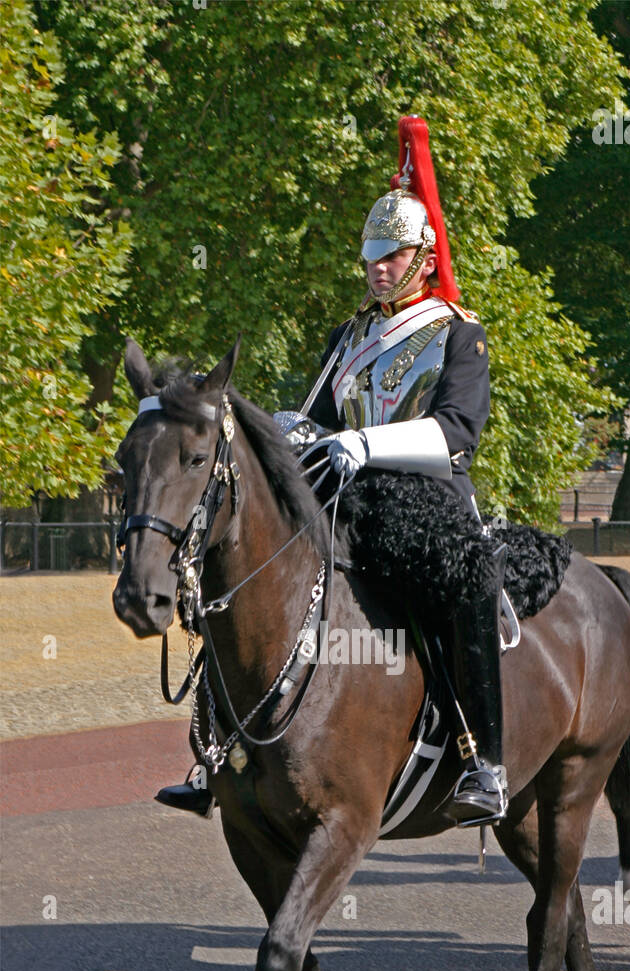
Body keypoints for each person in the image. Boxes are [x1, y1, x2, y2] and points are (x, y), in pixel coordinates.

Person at [158, 116, 507, 825]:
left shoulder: (457, 335)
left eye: (392, 255)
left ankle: (484, 761)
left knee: (464, 582)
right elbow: (318, 411)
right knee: (240, 570)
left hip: (425, 497)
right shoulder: (348, 335)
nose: (378, 266)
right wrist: (293, 427)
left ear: (422, 256)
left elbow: (457, 437)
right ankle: (214, 748)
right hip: (340, 487)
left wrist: (366, 446)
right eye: (371, 255)